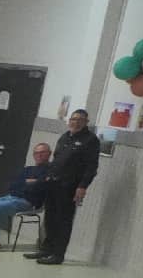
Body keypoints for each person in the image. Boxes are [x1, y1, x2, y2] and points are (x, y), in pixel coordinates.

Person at [28, 109, 99, 266]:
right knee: (50, 218)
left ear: (86, 122)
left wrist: (82, 186)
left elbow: (91, 167)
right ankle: (46, 249)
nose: (75, 122)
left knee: (64, 220)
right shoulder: (65, 137)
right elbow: (57, 159)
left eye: (80, 120)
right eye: (73, 119)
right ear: (69, 121)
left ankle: (58, 254)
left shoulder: (90, 140)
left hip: (70, 187)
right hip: (53, 183)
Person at [0, 143, 53, 244]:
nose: (39, 155)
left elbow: (39, 187)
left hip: (28, 203)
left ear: (49, 154)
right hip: (11, 197)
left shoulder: (50, 171)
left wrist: (26, 183)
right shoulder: (28, 169)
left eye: (42, 152)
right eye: (36, 153)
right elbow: (12, 185)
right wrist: (27, 182)